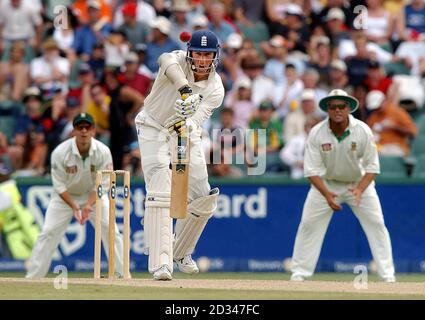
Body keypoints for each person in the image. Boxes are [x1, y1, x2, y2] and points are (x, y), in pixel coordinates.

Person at [135, 29, 224, 280]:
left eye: (207, 55)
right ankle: (161, 263)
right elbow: (164, 59)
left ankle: (181, 251)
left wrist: (188, 120)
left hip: (183, 132)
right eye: (198, 53)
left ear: (215, 56)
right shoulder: (175, 59)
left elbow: (198, 121)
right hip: (152, 126)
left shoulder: (216, 88)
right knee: (161, 189)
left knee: (203, 197)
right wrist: (185, 90)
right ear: (189, 52)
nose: (202, 60)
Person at [290, 89, 396, 283]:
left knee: (377, 225)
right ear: (327, 109)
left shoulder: (363, 130)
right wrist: (327, 194)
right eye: (333, 107)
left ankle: (387, 275)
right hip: (326, 185)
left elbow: (373, 167)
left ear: (348, 108)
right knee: (308, 225)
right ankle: (299, 273)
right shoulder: (317, 133)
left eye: (342, 106)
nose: (338, 110)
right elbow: (311, 171)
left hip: (359, 185)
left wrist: (360, 189)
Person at [26, 113, 125, 278]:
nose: (84, 131)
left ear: (93, 130)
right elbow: (59, 185)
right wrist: (74, 206)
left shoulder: (103, 151)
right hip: (65, 198)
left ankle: (121, 273)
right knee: (48, 232)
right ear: (74, 131)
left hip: (94, 196)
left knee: (110, 228)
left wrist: (87, 205)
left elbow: (104, 183)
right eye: (80, 127)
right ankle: (33, 277)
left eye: (88, 127)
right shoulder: (60, 152)